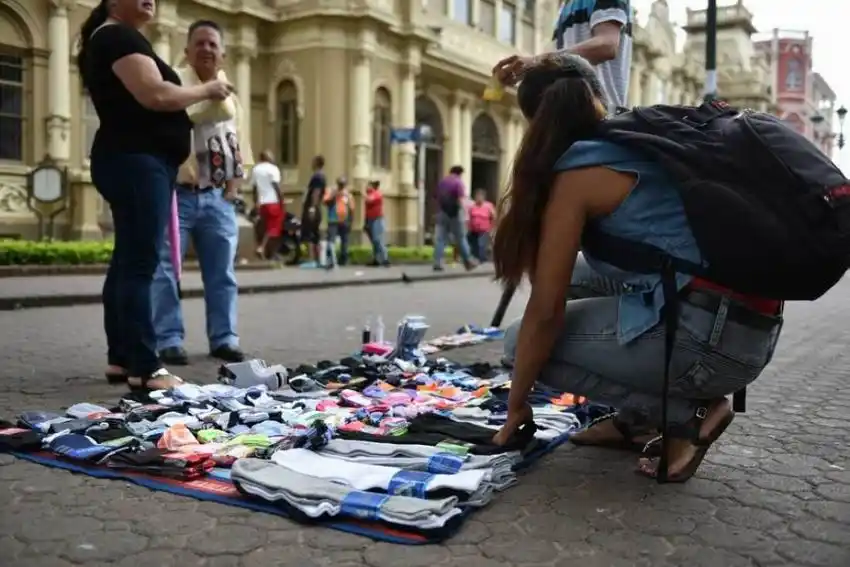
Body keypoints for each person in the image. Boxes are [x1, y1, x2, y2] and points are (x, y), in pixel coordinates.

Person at [491, 55, 782, 483]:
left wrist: (517, 404)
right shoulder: (642, 139)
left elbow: (545, 313)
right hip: (752, 327)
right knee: (573, 276)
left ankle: (687, 414)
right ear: (599, 95)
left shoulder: (578, 173)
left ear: (537, 123)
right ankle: (635, 421)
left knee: (521, 346)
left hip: (711, 346)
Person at [78, 0, 232, 390]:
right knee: (140, 264)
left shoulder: (116, 36)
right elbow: (156, 95)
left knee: (127, 261)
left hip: (133, 160)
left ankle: (121, 357)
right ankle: (145, 367)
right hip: (136, 161)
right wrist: (207, 89)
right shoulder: (117, 36)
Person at [151, 19, 252, 366]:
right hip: (176, 195)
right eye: (200, 43)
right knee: (166, 270)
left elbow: (240, 147)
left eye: (213, 44)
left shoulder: (232, 99)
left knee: (222, 273)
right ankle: (169, 340)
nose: (206, 49)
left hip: (217, 197)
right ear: (187, 51)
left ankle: (224, 339)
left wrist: (231, 192)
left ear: (222, 54)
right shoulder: (173, 86)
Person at [493, 0, 632, 114]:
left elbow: (607, 46)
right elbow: (562, 62)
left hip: (598, 117)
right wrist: (526, 70)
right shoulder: (564, 8)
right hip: (569, 118)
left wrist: (537, 61)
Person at [433, 165, 477, 271]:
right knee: (460, 238)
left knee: (440, 239)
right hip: (455, 214)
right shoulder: (458, 182)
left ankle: (437, 263)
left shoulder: (442, 182)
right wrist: (464, 213)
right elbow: (460, 199)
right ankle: (468, 261)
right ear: (460, 173)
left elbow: (435, 197)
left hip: (442, 212)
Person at [251, 150, 284, 259]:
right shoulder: (273, 169)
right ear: (268, 158)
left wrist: (255, 202)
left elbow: (254, 188)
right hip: (273, 201)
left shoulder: (256, 169)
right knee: (273, 228)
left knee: (263, 227)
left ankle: (269, 253)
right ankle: (262, 247)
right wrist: (281, 199)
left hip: (261, 203)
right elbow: (276, 186)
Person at [323, 176, 353, 269]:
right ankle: (330, 260)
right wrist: (334, 194)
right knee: (331, 240)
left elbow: (351, 208)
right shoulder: (331, 191)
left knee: (345, 240)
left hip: (344, 220)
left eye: (343, 184)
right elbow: (325, 201)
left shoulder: (348, 194)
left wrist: (351, 221)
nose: (341, 186)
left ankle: (344, 259)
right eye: (340, 184)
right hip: (333, 219)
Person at [364, 180, 390, 267]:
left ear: (373, 187)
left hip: (377, 219)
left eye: (368, 186)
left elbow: (369, 200)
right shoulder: (370, 194)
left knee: (378, 239)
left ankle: (385, 259)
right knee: (374, 241)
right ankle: (376, 259)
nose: (366, 187)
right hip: (370, 219)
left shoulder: (377, 194)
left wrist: (363, 194)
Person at [466, 189, 496, 262]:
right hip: (474, 230)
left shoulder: (488, 206)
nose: (479, 198)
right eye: (477, 196)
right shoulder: (472, 206)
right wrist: (468, 227)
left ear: (483, 197)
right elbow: (469, 217)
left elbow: (494, 217)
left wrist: (492, 228)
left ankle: (482, 260)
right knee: (474, 246)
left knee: (481, 245)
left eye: (480, 196)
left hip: (484, 230)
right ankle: (477, 259)